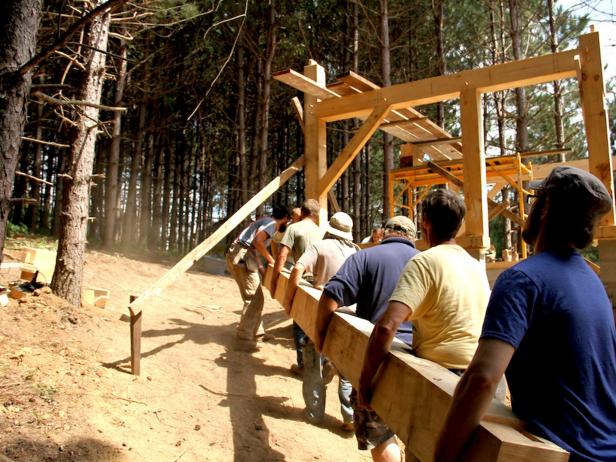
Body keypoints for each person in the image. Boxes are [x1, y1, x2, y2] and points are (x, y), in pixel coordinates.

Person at [435, 166, 616, 462]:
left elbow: (482, 379)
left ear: (544, 209)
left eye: (535, 200)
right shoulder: (592, 283)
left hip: (569, 454)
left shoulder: (523, 279)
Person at [357, 189, 490, 461]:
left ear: (425, 222)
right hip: (481, 382)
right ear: (460, 225)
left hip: (443, 381)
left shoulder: (424, 262)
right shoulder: (475, 265)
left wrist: (365, 383)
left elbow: (386, 326)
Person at [314, 216, 418, 462]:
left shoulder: (365, 256)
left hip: (378, 359)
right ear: (413, 237)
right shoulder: (428, 263)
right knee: (417, 434)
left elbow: (331, 295)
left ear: (383, 234)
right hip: (423, 360)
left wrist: (321, 338)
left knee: (378, 432)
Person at [283, 212, 359, 429]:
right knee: (347, 370)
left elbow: (297, 268)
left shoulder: (320, 246)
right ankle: (349, 417)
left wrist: (289, 302)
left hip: (324, 309)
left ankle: (314, 413)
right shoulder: (356, 251)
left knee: (313, 361)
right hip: (350, 316)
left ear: (330, 228)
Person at [272, 199, 324, 376]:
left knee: (299, 324)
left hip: (301, 279)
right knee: (315, 322)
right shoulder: (321, 231)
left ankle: (303, 365)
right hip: (320, 283)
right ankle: (319, 366)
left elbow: (282, 255)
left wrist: (274, 281)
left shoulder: (294, 228)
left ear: (302, 212)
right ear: (316, 215)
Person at [226, 207, 289, 341]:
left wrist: (261, 268)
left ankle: (257, 332)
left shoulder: (265, 221)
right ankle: (244, 333)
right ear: (284, 218)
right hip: (242, 256)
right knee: (255, 298)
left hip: (238, 254)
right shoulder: (272, 224)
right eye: (287, 221)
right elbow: (257, 242)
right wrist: (271, 260)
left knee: (255, 296)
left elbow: (254, 247)